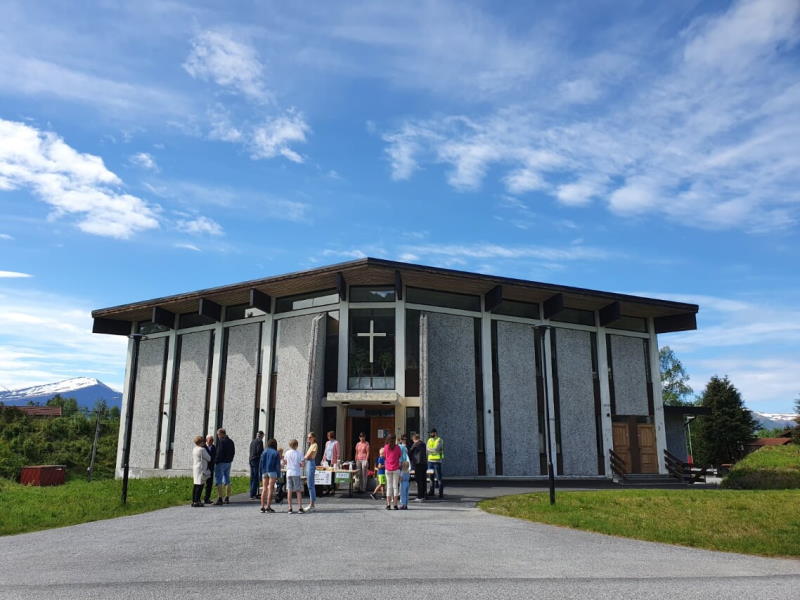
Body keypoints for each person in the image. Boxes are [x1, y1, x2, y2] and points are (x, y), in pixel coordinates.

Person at [214, 428, 235, 505]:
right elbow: (233, 452)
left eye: (218, 434)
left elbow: (219, 452)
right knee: (227, 479)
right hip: (228, 462)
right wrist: (230, 460)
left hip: (221, 462)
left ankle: (220, 498)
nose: (218, 436)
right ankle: (227, 497)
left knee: (219, 479)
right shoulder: (231, 441)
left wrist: (216, 461)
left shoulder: (221, 442)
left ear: (222, 434)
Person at [283, 439, 305, 514]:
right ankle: (300, 508)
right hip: (296, 473)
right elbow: (302, 464)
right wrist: (298, 465)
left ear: (289, 445)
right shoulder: (299, 453)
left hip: (289, 473)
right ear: (297, 445)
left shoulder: (287, 453)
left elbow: (285, 462)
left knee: (289, 490)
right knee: (298, 491)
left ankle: (290, 508)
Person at [259, 438, 280, 513]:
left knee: (264, 489)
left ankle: (262, 507)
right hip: (272, 471)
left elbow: (260, 464)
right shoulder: (276, 452)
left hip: (264, 471)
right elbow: (277, 465)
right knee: (271, 489)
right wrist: (279, 475)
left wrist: (260, 473)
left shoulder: (264, 452)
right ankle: (268, 506)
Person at [383, 434, 402, 510]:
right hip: (396, 468)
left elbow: (384, 456)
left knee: (389, 487)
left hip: (388, 468)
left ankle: (388, 505)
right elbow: (399, 456)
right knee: (395, 487)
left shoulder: (386, 447)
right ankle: (395, 505)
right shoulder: (397, 447)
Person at [191, 435, 211, 507]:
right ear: (201, 442)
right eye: (203, 441)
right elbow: (209, 458)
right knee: (200, 485)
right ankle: (197, 501)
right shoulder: (202, 449)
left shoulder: (195, 449)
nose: (204, 442)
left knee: (196, 484)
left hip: (196, 468)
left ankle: (194, 501)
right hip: (201, 469)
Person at [426, 428, 444, 499]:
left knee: (439, 478)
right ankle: (431, 491)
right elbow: (427, 448)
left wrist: (431, 450)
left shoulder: (439, 440)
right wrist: (432, 450)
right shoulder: (429, 440)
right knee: (431, 477)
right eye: (430, 433)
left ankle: (440, 493)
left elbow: (437, 449)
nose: (430, 434)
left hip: (437, 461)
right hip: (430, 461)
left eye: (431, 433)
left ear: (435, 433)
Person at [410, 433, 427, 502]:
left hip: (418, 464)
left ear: (414, 439)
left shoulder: (415, 445)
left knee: (419, 481)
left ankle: (419, 496)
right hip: (424, 464)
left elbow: (410, 452)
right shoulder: (423, 444)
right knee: (423, 480)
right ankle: (423, 495)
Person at [304, 432, 318, 512]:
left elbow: (309, 456)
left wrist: (304, 457)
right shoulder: (311, 445)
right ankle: (311, 504)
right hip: (309, 463)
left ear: (313, 438)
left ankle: (312, 504)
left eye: (310, 437)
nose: (308, 439)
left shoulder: (315, 445)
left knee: (310, 484)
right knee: (309, 484)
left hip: (311, 462)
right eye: (308, 437)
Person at [249, 431, 264, 500]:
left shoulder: (253, 441)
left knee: (252, 477)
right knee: (255, 477)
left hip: (251, 459)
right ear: (262, 435)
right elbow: (259, 451)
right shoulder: (260, 442)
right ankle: (253, 494)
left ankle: (251, 493)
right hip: (256, 460)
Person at [398, 434, 411, 510]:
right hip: (407, 468)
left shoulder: (401, 447)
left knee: (402, 490)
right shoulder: (405, 447)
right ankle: (405, 504)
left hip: (403, 467)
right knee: (406, 490)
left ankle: (403, 504)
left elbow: (400, 458)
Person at [203, 434, 216, 504]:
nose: (211, 441)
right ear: (206, 440)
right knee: (201, 483)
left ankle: (207, 498)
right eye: (210, 440)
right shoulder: (203, 447)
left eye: (212, 440)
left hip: (211, 468)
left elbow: (215, 456)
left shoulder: (214, 447)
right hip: (204, 467)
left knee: (209, 484)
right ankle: (198, 499)